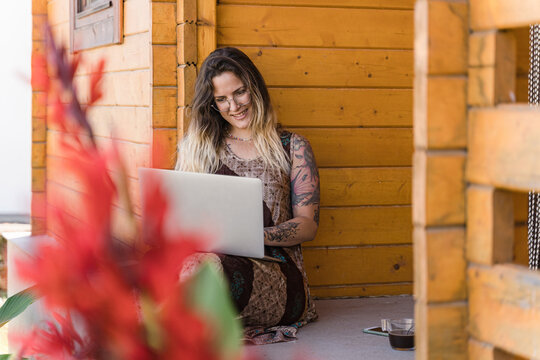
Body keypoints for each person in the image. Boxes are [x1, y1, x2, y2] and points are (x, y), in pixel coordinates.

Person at [176, 47, 319, 344]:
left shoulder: (292, 147)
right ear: (212, 104)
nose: (234, 105)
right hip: (206, 259)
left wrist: (249, 236)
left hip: (276, 270)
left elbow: (308, 224)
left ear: (255, 88)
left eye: (240, 92)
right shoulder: (198, 148)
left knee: (206, 271)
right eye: (221, 99)